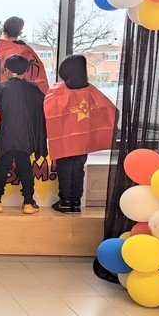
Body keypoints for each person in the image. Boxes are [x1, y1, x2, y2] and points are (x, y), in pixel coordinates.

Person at [44, 54, 116, 213]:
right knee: (78, 169)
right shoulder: (92, 91)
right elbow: (109, 109)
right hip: (84, 140)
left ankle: (64, 201)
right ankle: (75, 202)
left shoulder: (57, 91)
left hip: (64, 139)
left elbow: (48, 112)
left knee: (64, 169)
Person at [0, 54, 47, 214]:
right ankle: (29, 202)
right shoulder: (33, 89)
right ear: (26, 71)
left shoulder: (1, 88)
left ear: (6, 71)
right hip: (26, 137)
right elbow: (40, 114)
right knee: (25, 168)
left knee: (1, 168)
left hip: (5, 136)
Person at [0, 16, 49, 94]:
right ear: (20, 33)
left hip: (4, 94)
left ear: (4, 32)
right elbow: (40, 78)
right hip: (26, 95)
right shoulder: (28, 52)